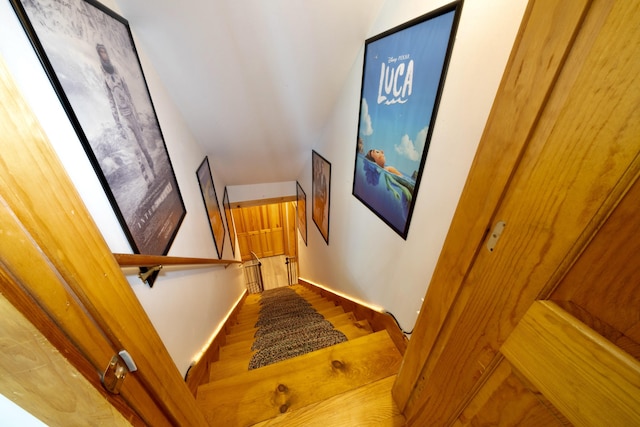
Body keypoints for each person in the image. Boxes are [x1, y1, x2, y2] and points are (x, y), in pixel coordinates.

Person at [96, 43, 155, 183]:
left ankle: (153, 171)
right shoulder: (105, 78)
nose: (104, 55)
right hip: (123, 117)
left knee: (143, 147)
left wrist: (138, 117)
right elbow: (111, 103)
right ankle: (146, 179)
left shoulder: (117, 72)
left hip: (132, 115)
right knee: (136, 149)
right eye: (101, 53)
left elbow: (128, 95)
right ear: (99, 56)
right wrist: (118, 124)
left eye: (105, 52)